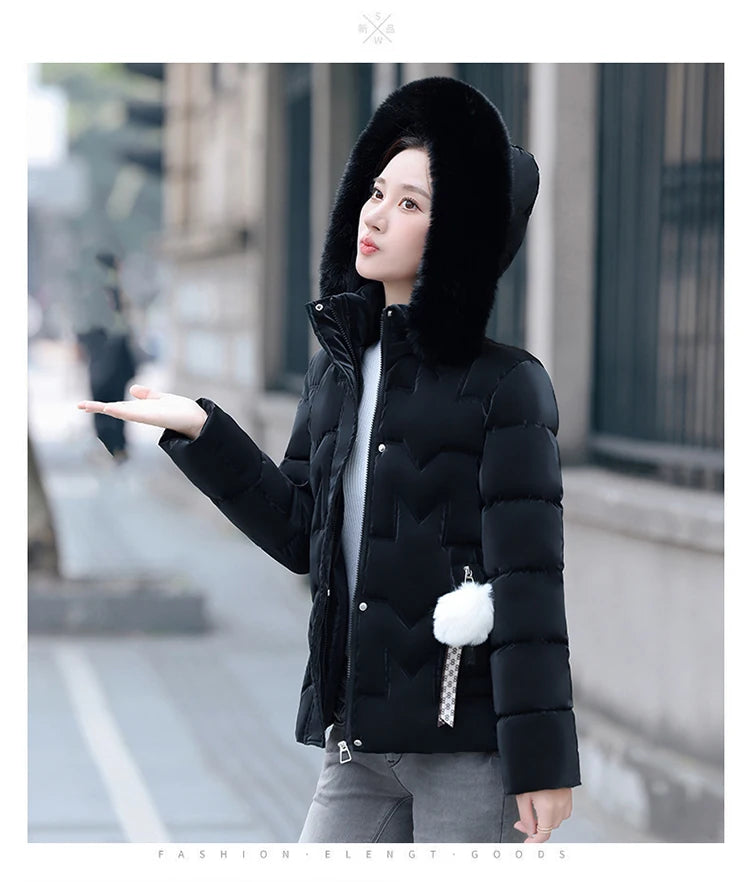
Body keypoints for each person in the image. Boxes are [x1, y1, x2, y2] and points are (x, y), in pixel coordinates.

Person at [77, 76, 581, 843]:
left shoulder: (507, 385)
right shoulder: (337, 369)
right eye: (376, 192)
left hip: (467, 751)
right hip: (357, 743)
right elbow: (298, 531)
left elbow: (531, 586)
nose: (375, 215)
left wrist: (543, 763)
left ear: (459, 236)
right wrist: (202, 430)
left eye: (410, 204)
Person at [76, 251, 138, 464]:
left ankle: (113, 448)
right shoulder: (110, 289)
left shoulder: (102, 290)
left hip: (107, 357)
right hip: (113, 356)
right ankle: (117, 448)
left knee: (104, 404)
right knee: (114, 404)